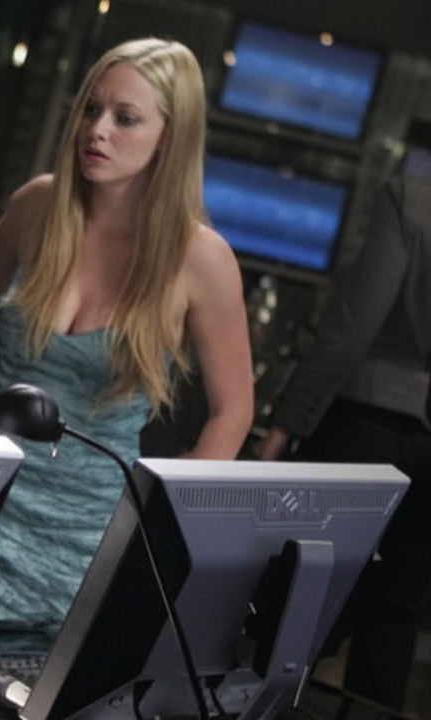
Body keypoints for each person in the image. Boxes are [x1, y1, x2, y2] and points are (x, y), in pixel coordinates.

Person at [0, 38, 253, 682]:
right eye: (91, 109)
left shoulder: (200, 259)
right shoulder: (40, 205)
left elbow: (233, 411)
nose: (97, 130)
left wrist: (163, 537)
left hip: (76, 543)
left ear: (171, 136)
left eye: (125, 118)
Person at [258, 119, 431, 709]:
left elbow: (353, 327)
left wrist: (286, 421)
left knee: (298, 603)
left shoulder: (411, 195)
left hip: (367, 420)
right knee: (395, 616)